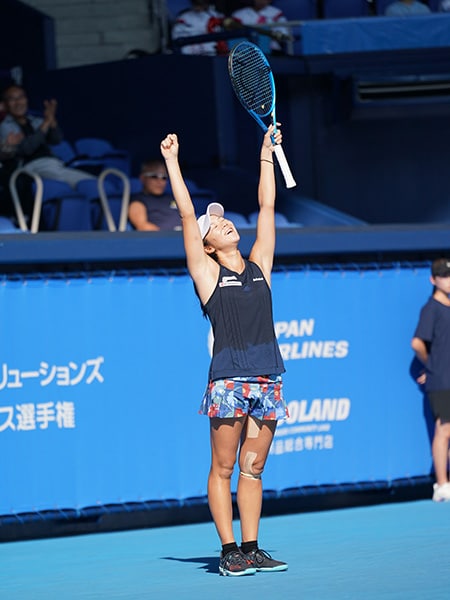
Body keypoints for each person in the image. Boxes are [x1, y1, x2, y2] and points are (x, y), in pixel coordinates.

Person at [160, 123, 289, 577]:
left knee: (253, 470)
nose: (224, 222)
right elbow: (184, 215)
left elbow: (267, 204)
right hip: (230, 381)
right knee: (224, 467)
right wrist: (173, 163)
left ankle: (252, 547)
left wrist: (264, 153)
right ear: (207, 244)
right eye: (213, 224)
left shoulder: (260, 265)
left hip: (268, 378)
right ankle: (228, 549)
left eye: (223, 218)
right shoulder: (207, 274)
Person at [0, 84, 95, 188]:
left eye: (21, 97)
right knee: (83, 184)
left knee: (95, 183)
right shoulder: (5, 126)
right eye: (12, 99)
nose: (18, 103)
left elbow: (56, 139)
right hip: (30, 168)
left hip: (53, 163)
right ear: (5, 104)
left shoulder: (35, 120)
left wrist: (52, 120)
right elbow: (26, 148)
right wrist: (46, 123)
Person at [411, 258, 450, 502]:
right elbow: (417, 343)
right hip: (441, 380)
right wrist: (431, 365)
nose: (448, 280)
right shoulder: (431, 309)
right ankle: (441, 484)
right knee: (444, 430)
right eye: (444, 276)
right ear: (433, 280)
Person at [128, 158, 181, 231]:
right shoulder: (138, 200)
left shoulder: (173, 198)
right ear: (142, 178)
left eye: (164, 177)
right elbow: (142, 226)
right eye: (154, 176)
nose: (159, 181)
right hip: (162, 240)